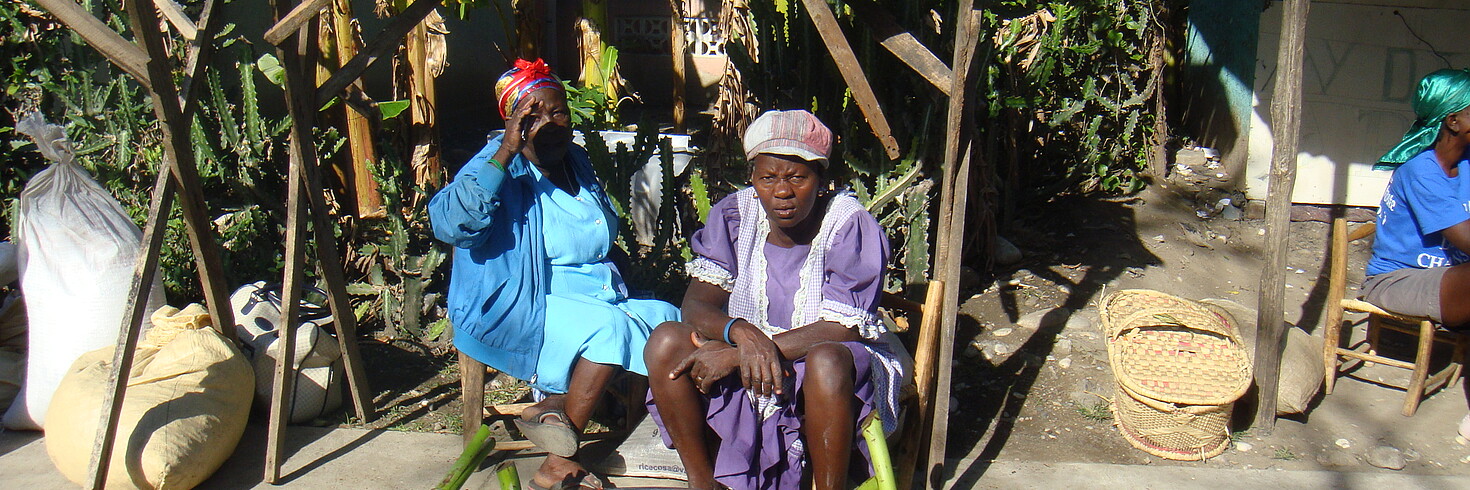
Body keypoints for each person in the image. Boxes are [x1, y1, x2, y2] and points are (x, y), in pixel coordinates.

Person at [429, 58, 679, 489]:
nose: (548, 123)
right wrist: (506, 149)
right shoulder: (497, 166)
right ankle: (559, 463)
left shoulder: (575, 161)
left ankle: (566, 412)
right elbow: (451, 224)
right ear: (512, 122)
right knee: (607, 331)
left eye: (557, 111)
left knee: (666, 318)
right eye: (532, 115)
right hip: (525, 300)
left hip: (598, 293)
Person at [644, 110, 905, 489]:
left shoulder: (848, 223)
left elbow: (843, 328)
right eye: (768, 178)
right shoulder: (736, 214)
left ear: (822, 180)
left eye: (798, 177)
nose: (782, 191)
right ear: (752, 178)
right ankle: (703, 482)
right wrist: (742, 334)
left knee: (826, 361)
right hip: (751, 348)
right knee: (667, 339)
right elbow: (697, 304)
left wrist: (740, 353)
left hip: (832, 358)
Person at [1362, 68, 1470, 441]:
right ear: (1452, 121)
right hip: (1396, 280)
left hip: (1449, 278)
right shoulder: (1422, 171)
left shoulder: (1466, 163)